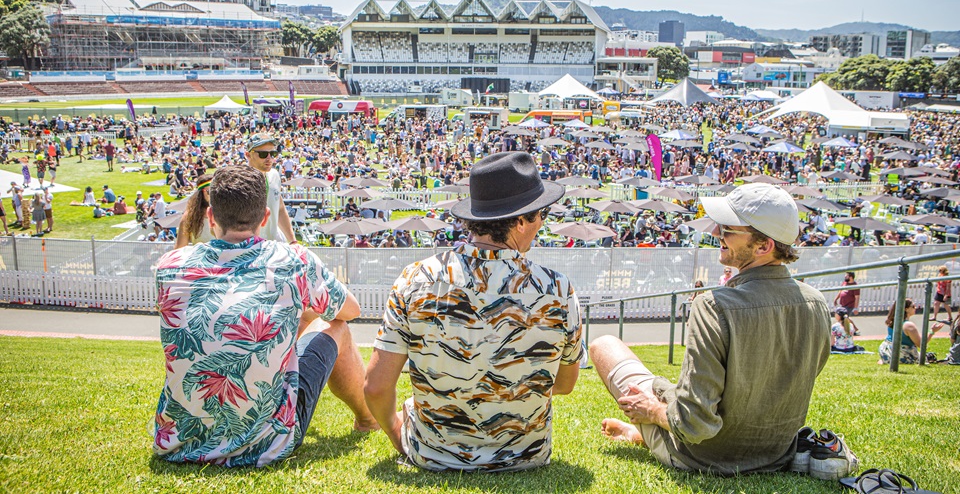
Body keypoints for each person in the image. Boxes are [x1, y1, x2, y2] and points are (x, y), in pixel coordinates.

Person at [589, 183, 832, 476]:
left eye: (728, 230)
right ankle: (644, 434)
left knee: (603, 345)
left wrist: (651, 410)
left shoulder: (713, 305)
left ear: (764, 246)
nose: (717, 233)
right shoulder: (817, 303)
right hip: (775, 454)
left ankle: (648, 433)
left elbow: (695, 424)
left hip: (702, 456)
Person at [364, 151, 582, 472]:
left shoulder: (416, 278)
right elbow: (564, 385)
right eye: (541, 214)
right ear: (521, 222)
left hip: (434, 454)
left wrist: (398, 435)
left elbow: (376, 387)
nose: (542, 222)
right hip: (525, 456)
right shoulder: (558, 289)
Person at [152, 165, 378, 467]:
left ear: (211, 217)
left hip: (178, 443)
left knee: (297, 316)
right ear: (264, 218)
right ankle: (367, 419)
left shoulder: (171, 266)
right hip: (266, 444)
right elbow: (351, 310)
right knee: (335, 325)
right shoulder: (291, 260)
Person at [245, 134, 296, 243]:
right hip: (247, 248)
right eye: (263, 154)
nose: (269, 158)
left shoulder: (274, 175)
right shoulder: (239, 180)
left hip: (271, 245)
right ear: (248, 155)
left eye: (273, 154)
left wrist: (293, 241)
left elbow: (280, 208)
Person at [878, 299, 944, 365]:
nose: (915, 308)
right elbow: (921, 344)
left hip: (886, 351)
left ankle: (885, 360)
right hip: (901, 353)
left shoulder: (892, 321)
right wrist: (932, 331)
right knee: (925, 358)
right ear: (906, 309)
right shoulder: (908, 325)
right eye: (913, 306)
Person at [174, 174, 213, 249]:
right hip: (202, 258)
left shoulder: (226, 213)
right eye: (209, 191)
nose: (214, 195)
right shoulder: (190, 216)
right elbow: (180, 247)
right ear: (201, 193)